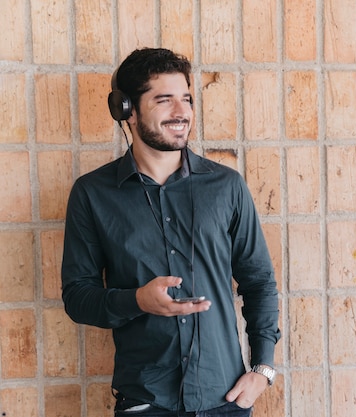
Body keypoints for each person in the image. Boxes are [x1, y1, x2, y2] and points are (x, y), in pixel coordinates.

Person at [61, 47, 281, 417]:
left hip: (226, 400)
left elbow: (258, 281)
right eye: (165, 101)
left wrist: (262, 369)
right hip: (145, 402)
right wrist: (137, 301)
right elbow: (77, 296)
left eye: (187, 100)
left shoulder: (227, 186)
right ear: (127, 110)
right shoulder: (92, 193)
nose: (182, 113)